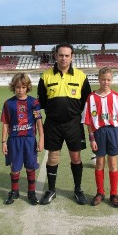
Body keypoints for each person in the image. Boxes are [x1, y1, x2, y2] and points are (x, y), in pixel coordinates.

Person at [37, 43, 92, 205]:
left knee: (75, 157)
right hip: (53, 124)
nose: (63, 58)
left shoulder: (81, 76)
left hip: (74, 124)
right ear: (56, 56)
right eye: (61, 55)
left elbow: (87, 102)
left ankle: (77, 189)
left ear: (72, 57)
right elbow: (41, 101)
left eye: (67, 55)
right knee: (53, 157)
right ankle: (51, 190)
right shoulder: (45, 76)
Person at [81, 67, 118, 208]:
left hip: (113, 132)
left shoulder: (117, 97)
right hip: (99, 133)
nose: (105, 82)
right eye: (103, 79)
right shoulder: (91, 97)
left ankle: (114, 194)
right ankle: (100, 192)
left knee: (113, 164)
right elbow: (88, 120)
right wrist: (92, 138)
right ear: (98, 79)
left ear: (111, 80)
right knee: (99, 164)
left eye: (108, 79)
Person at [1, 73, 44, 205]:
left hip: (29, 140)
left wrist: (41, 138)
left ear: (27, 87)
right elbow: (5, 123)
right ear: (14, 87)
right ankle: (14, 191)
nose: (20, 90)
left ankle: (31, 192)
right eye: (18, 87)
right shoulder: (8, 103)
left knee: (31, 167)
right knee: (15, 168)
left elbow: (38, 121)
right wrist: (3, 142)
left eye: (23, 87)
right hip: (14, 140)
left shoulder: (34, 102)